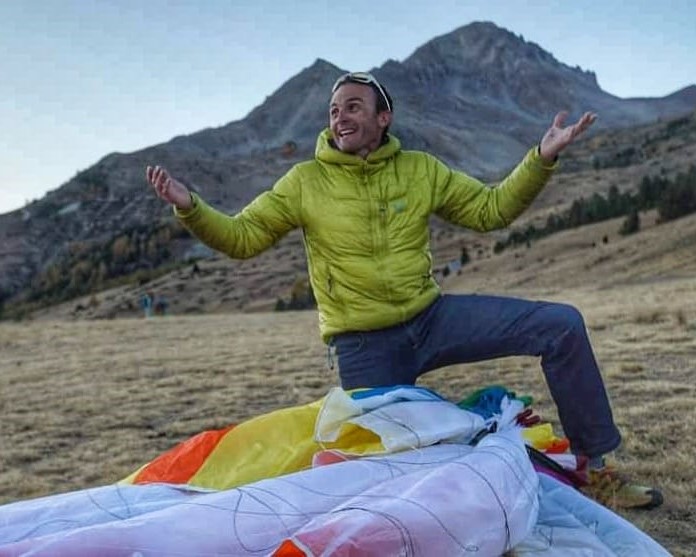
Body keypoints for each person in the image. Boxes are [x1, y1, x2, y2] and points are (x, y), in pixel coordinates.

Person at [146, 71, 662, 509]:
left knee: (560, 324)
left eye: (353, 106)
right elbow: (241, 238)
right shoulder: (304, 182)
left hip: (430, 319)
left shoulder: (420, 170)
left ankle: (596, 472)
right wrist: (191, 208)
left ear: (383, 117)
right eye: (333, 110)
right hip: (364, 345)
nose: (340, 117)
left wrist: (540, 160)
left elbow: (491, 211)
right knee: (383, 481)